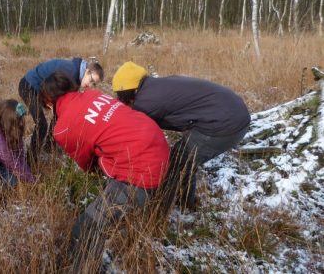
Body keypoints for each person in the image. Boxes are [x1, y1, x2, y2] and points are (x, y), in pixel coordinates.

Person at [40, 72, 169, 271]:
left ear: (49, 102)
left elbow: (87, 165)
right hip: (158, 145)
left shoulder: (63, 128)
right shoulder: (93, 94)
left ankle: (84, 269)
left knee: (85, 227)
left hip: (141, 172)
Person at [112, 61, 251, 211]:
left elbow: (137, 135)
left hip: (225, 125)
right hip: (235, 111)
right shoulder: (156, 86)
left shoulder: (146, 102)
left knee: (179, 163)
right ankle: (183, 201)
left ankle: (175, 208)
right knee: (182, 157)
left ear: (127, 92)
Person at [18, 57, 104, 161]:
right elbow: (52, 92)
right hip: (29, 86)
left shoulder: (76, 77)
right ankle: (30, 161)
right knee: (42, 124)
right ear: (87, 71)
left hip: (39, 89)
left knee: (58, 116)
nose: (90, 85)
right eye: (91, 80)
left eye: (93, 84)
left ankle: (49, 147)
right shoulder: (70, 72)